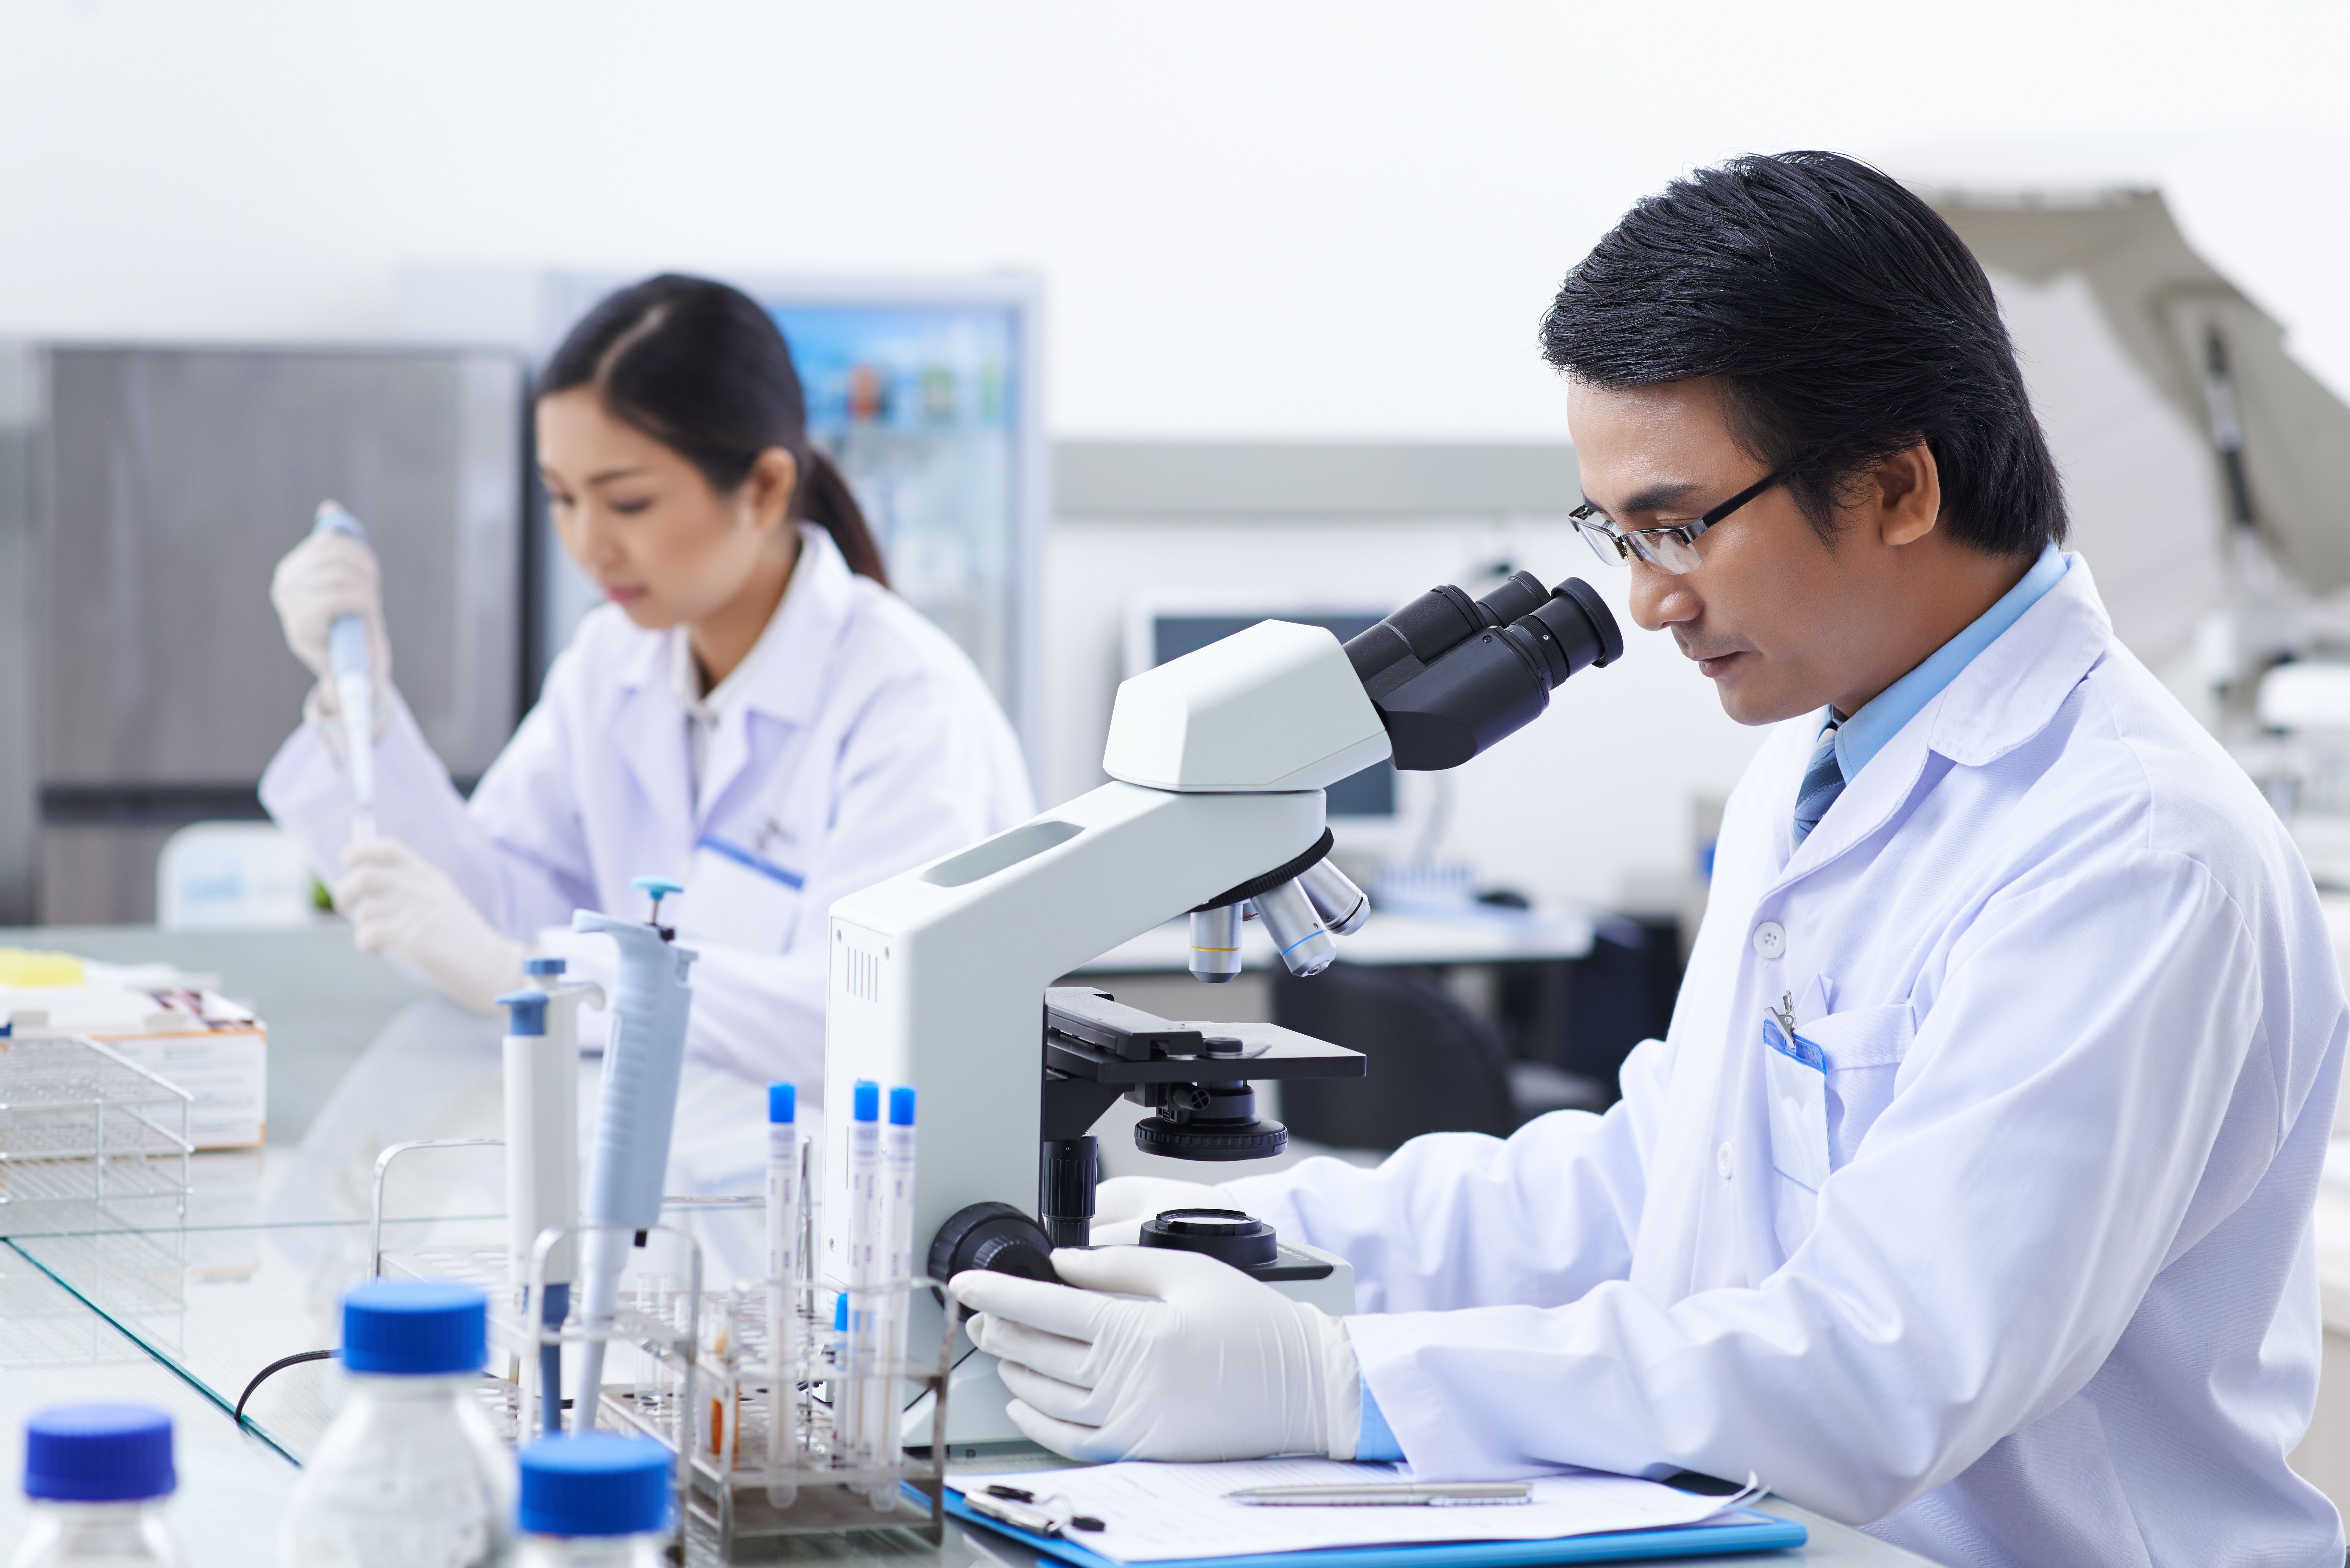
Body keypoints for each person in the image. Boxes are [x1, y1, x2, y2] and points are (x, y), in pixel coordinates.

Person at [949, 154, 2348, 1568]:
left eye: (1679, 524)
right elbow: (1655, 1180)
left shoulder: (2125, 850)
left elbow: (1886, 1363)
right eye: (1615, 534)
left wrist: (1341, 1378)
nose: (1647, 598)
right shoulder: (1811, 761)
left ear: (1897, 484)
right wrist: (1268, 1227)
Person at [263, 274, 1034, 1186]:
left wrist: (538, 973)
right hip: (664, 1210)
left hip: (847, 1227)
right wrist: (361, 704)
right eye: (561, 497)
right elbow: (493, 908)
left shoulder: (907, 704)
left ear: (763, 486)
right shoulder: (612, 665)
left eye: (625, 502)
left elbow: (855, 1023)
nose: (588, 543)